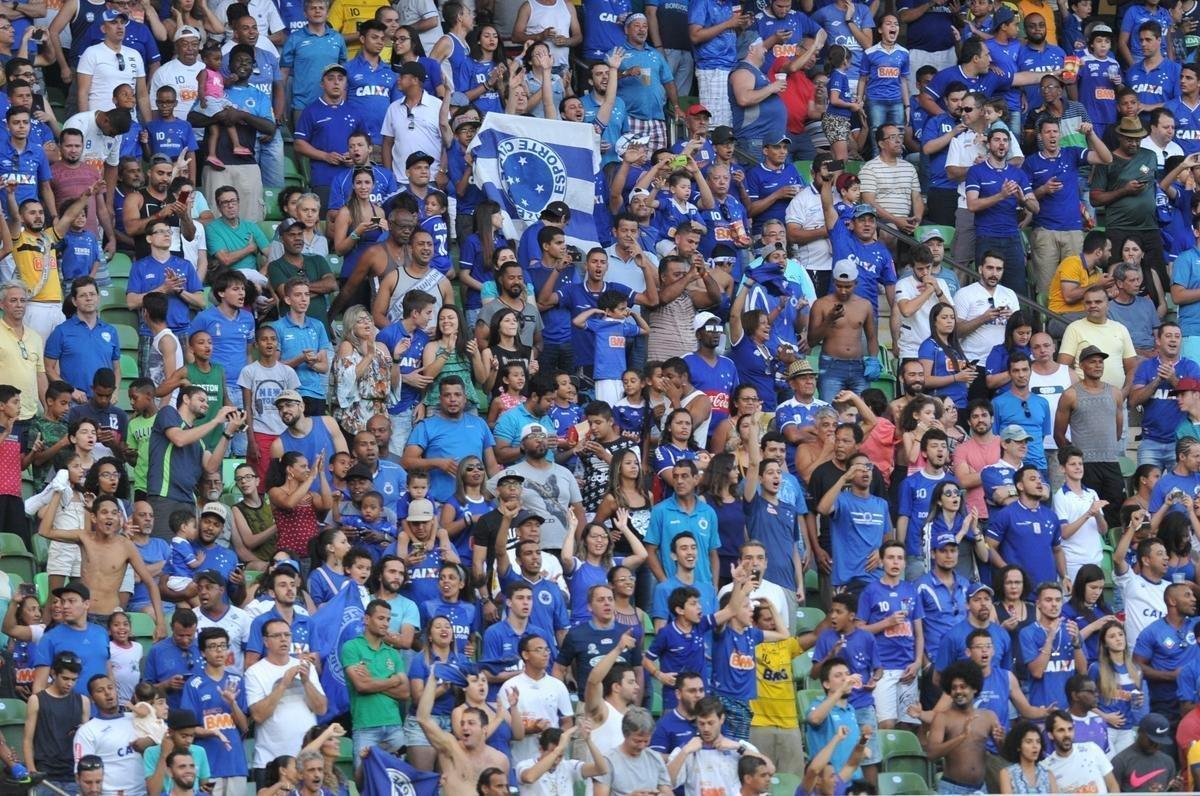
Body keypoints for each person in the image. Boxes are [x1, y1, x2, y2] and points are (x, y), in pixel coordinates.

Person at [245, 617, 327, 783]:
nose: (283, 639)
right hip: (271, 761)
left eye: (287, 635)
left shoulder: (306, 667)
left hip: (306, 760)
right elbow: (258, 715)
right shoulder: (254, 672)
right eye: (277, 636)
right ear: (265, 641)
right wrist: (283, 684)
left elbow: (321, 709)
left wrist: (306, 681)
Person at [75, 674, 155, 796]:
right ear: (92, 698)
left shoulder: (137, 719)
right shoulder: (87, 731)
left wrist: (151, 741)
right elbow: (82, 773)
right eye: (100, 690)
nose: (107, 693)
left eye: (110, 688)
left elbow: (163, 739)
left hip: (145, 792)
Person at [24, 651, 89, 793]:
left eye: (74, 679)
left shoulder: (83, 701)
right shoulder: (36, 700)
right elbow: (28, 740)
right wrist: (32, 770)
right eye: (65, 678)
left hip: (73, 775)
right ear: (53, 673)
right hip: (45, 775)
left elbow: (86, 742)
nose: (70, 683)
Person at [593, 706, 672, 796]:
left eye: (646, 741)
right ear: (625, 734)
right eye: (637, 741)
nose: (641, 746)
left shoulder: (655, 758)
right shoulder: (608, 761)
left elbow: (667, 792)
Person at [1039, 709, 1120, 794]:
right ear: (1050, 735)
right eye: (1061, 730)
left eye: (1070, 729)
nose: (1067, 734)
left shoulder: (1092, 748)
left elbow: (1113, 786)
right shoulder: (1045, 768)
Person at [1111, 713, 1180, 791]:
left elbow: (1168, 791)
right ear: (1140, 732)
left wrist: (1175, 789)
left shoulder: (1168, 761)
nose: (1155, 745)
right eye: (1151, 740)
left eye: (1160, 741)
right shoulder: (1120, 761)